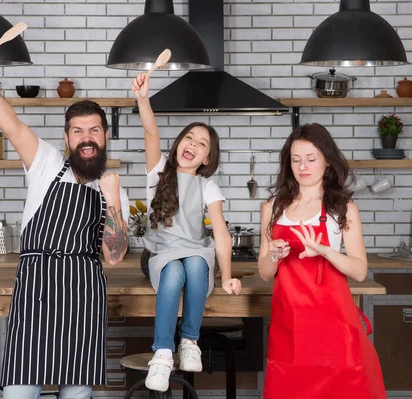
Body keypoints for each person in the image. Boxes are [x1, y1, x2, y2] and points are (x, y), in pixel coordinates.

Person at [0, 48, 130, 399]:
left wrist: (112, 197)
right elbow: (10, 122)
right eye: (78, 130)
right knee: (19, 392)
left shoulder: (113, 191)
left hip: (84, 294)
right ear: (67, 138)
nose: (86, 137)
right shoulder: (47, 164)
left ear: (105, 136)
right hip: (36, 288)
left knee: (76, 393)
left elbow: (113, 256)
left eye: (94, 129)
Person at [131, 73, 242, 392]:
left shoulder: (208, 187)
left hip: (198, 253)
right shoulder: (157, 176)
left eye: (202, 143)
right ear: (179, 144)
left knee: (193, 263)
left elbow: (221, 233)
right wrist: (142, 98)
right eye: (189, 138)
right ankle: (163, 353)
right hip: (163, 255)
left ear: (207, 157)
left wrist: (226, 276)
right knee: (174, 271)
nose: (192, 144)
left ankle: (189, 341)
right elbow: (150, 132)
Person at [259, 123, 386, 398]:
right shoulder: (273, 207)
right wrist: (274, 255)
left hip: (334, 323)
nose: (302, 166)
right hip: (289, 323)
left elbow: (360, 269)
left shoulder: (342, 208)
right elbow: (265, 272)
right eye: (295, 160)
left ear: (327, 161)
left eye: (311, 159)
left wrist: (326, 251)